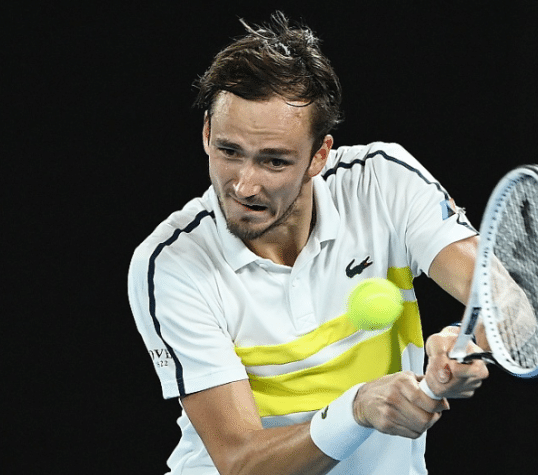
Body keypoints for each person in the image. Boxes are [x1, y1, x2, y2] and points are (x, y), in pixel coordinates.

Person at [128, 11, 489, 475]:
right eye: (229, 151)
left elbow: (505, 303)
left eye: (274, 161)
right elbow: (240, 462)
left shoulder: (382, 183)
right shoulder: (172, 263)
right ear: (206, 134)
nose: (244, 185)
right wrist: (356, 410)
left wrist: (465, 343)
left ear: (320, 155)